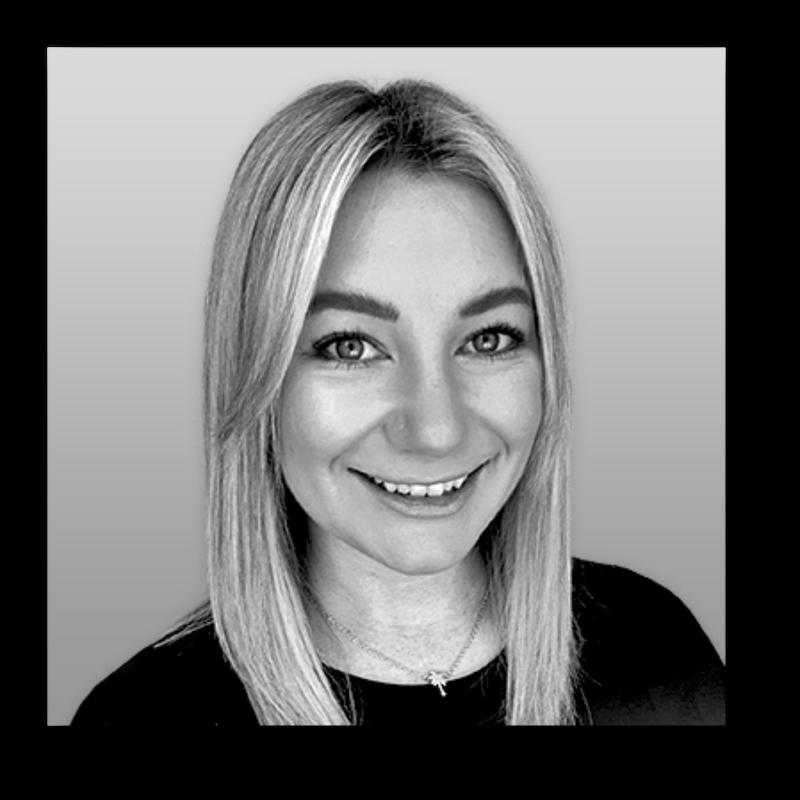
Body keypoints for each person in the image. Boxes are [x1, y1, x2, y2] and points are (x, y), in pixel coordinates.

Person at [71, 78, 725, 726]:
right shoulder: (140, 716)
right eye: (350, 346)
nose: (437, 430)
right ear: (256, 366)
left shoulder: (657, 650)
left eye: (489, 339)